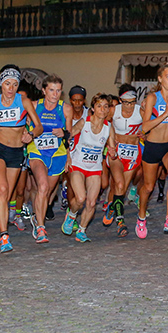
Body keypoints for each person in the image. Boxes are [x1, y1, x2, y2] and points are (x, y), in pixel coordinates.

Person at [0, 65, 43, 253]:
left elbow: (39, 126)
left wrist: (31, 134)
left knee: (5, 194)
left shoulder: (24, 102)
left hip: (16, 152)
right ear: (1, 84)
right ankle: (4, 236)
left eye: (14, 84)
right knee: (2, 189)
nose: (10, 88)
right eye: (7, 84)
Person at [136, 64, 168, 238]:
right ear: (160, 79)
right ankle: (141, 216)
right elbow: (145, 126)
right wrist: (165, 114)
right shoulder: (152, 98)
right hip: (152, 146)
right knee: (148, 187)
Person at [61, 93, 116, 242]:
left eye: (105, 106)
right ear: (93, 108)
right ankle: (71, 215)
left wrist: (113, 152)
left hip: (94, 168)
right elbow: (67, 137)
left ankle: (82, 230)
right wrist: (67, 157)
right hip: (78, 164)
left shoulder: (109, 127)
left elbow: (112, 149)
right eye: (99, 106)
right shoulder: (84, 122)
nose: (102, 110)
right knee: (80, 198)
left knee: (91, 202)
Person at [26, 74, 72, 243]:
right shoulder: (34, 106)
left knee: (46, 193)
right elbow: (24, 126)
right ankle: (41, 228)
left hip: (57, 154)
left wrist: (64, 133)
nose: (55, 94)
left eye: (58, 91)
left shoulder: (65, 109)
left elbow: (69, 135)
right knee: (43, 186)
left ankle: (36, 217)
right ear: (44, 90)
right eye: (51, 90)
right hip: (37, 151)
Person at [105, 84, 143, 237]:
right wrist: (110, 141)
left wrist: (145, 134)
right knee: (119, 184)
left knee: (121, 190)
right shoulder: (114, 111)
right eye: (126, 103)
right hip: (116, 153)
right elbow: (104, 124)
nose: (129, 106)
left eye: (132, 102)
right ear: (121, 100)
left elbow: (150, 126)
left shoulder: (141, 111)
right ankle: (120, 222)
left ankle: (112, 207)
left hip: (133, 154)